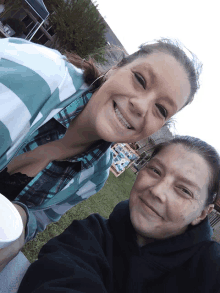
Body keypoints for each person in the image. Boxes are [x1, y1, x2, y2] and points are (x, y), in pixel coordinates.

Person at [0, 37, 201, 271]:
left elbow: (40, 219)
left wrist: (21, 223)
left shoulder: (95, 177)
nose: (141, 106)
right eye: (140, 79)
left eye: (161, 109)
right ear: (116, 68)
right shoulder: (37, 73)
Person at [17, 136, 220, 293]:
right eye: (156, 171)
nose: (157, 191)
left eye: (184, 190)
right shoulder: (90, 233)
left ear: (202, 213)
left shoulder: (211, 268)